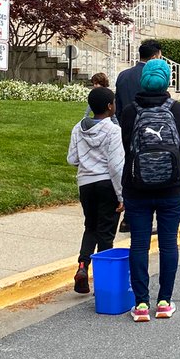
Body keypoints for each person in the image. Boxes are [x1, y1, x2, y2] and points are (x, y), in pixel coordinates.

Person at [120, 58, 180, 320]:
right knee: (168, 243)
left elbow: (127, 145)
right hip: (172, 187)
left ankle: (140, 304)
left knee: (138, 244)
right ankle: (164, 301)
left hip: (136, 186)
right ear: (167, 81)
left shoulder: (129, 111)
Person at [67, 86, 125, 294]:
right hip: (107, 184)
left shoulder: (78, 128)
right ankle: (104, 281)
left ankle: (82, 266)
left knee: (90, 227)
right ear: (110, 106)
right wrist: (121, 195)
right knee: (106, 233)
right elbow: (116, 166)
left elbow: (72, 158)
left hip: (85, 184)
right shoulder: (113, 130)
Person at [114, 39, 162, 119]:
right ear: (154, 58)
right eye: (160, 57)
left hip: (125, 124)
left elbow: (118, 106)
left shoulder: (122, 75)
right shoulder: (154, 77)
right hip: (148, 124)